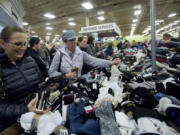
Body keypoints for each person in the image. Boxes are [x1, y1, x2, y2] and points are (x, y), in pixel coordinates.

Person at [0, 26, 49, 133]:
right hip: (12, 124)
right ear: (2, 43)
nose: (23, 48)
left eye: (24, 44)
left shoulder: (30, 61)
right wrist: (25, 109)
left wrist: (47, 86)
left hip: (35, 116)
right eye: (18, 44)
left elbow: (39, 85)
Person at [49, 30, 120, 79]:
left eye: (74, 39)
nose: (74, 42)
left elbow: (94, 61)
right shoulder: (59, 54)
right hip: (64, 87)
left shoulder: (81, 53)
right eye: (71, 40)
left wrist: (110, 62)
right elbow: (51, 72)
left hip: (77, 85)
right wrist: (65, 75)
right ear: (65, 42)